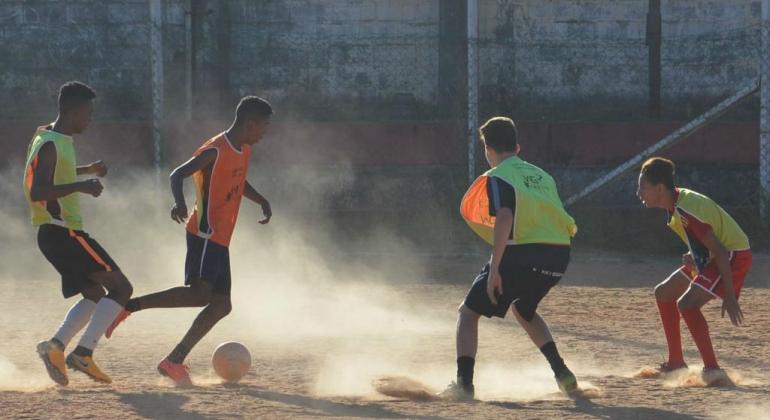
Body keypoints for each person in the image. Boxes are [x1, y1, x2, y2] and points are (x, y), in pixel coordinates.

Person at [105, 96, 273, 386]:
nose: (264, 135)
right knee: (199, 294)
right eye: (264, 129)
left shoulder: (243, 149)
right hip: (205, 233)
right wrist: (179, 203)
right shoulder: (215, 150)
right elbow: (177, 174)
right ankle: (128, 306)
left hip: (220, 237)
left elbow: (237, 180)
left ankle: (174, 361)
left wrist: (261, 200)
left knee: (221, 305)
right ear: (250, 123)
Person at [441, 116, 579, 400]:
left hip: (524, 253)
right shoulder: (542, 175)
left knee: (467, 314)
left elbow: (505, 216)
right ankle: (562, 373)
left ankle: (463, 385)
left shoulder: (499, 175)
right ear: (517, 146)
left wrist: (495, 269)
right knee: (524, 309)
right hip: (559, 254)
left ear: (487, 149)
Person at [24, 81, 134, 385]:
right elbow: (38, 190)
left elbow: (53, 174)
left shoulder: (47, 134)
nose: (90, 118)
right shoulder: (51, 144)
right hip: (64, 233)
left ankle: (55, 348)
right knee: (122, 289)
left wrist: (86, 170)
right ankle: (83, 354)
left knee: (95, 296)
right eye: (88, 112)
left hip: (54, 234)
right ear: (73, 111)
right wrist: (82, 186)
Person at [637, 157, 751, 383]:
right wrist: (695, 254)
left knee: (687, 305)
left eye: (643, 187)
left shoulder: (684, 209)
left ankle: (713, 370)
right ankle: (676, 363)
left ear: (660, 188)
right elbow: (708, 240)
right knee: (664, 293)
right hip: (717, 256)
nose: (638, 192)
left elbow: (719, 250)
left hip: (732, 256)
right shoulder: (678, 203)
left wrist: (730, 294)